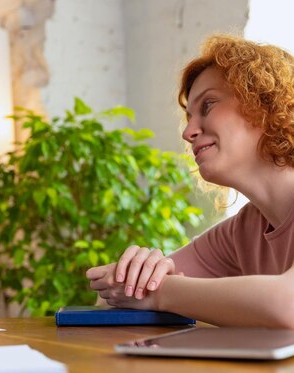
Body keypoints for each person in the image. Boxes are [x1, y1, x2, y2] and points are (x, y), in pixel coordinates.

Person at [86, 34, 294, 328]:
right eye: (188, 117)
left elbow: (288, 305)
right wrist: (135, 274)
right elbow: (112, 298)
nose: (188, 132)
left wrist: (160, 293)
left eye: (207, 105)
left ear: (262, 104)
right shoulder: (241, 234)